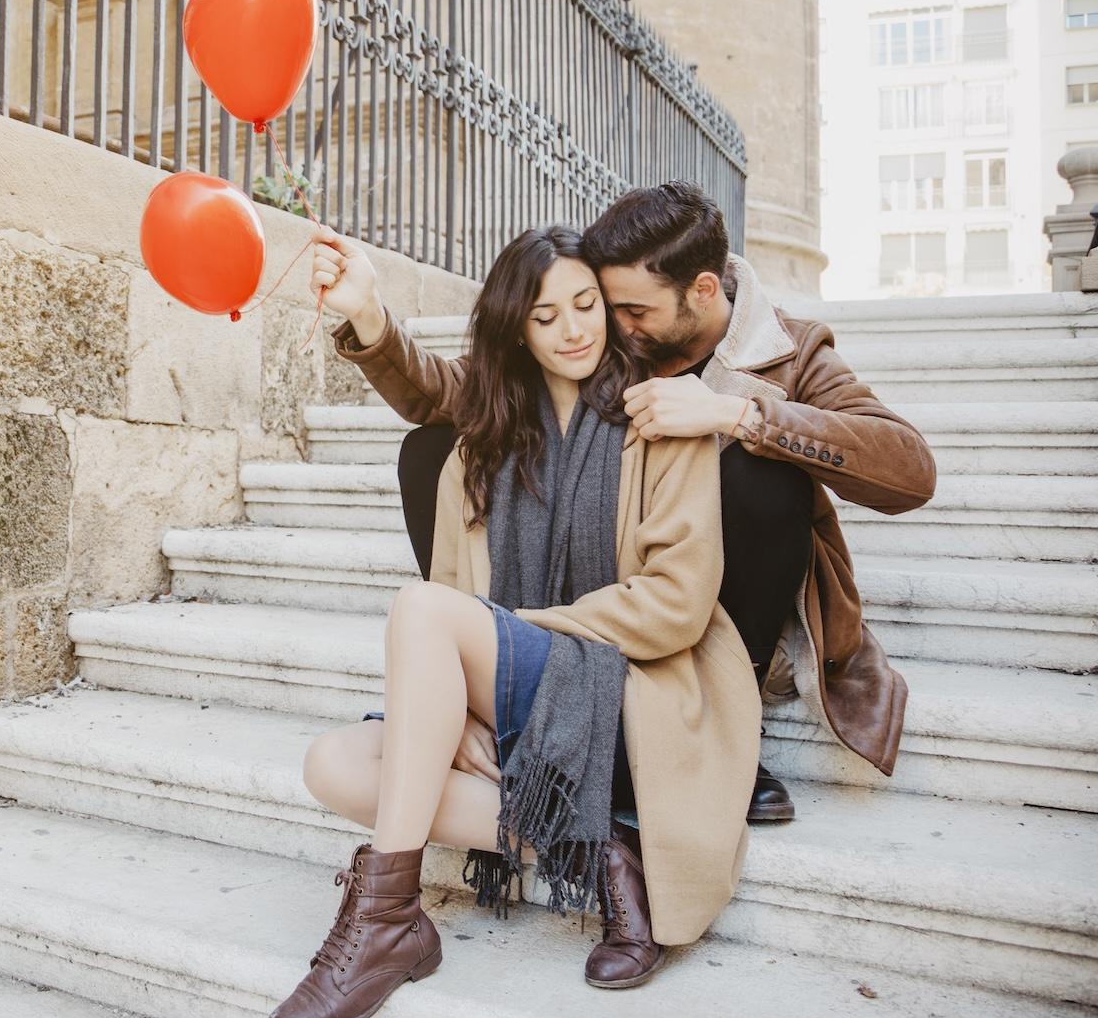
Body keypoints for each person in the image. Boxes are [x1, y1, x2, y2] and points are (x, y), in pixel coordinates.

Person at [266, 226, 758, 1018]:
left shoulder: (662, 416)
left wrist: (502, 637)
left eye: (586, 304)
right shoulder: (480, 448)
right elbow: (456, 613)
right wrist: (463, 701)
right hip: (528, 709)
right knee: (333, 764)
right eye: (545, 315)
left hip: (635, 699)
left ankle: (387, 915)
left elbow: (676, 603)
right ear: (515, 332)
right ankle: (600, 846)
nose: (573, 329)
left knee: (423, 612)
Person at [351, 184, 934, 823]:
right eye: (604, 302)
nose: (610, 325)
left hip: (702, 607)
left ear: (703, 291)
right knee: (432, 448)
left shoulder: (788, 352)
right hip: (604, 583)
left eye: (630, 309)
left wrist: (736, 415)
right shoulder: (610, 340)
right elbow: (451, 391)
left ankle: (721, 726)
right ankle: (483, 660)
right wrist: (372, 321)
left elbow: (909, 467)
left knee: (762, 479)